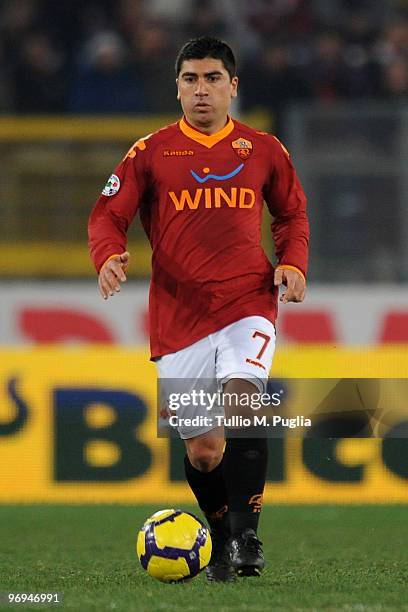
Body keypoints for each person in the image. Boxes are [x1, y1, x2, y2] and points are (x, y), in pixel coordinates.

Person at [88, 36, 309, 582]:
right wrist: (108, 254)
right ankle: (225, 540)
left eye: (212, 79)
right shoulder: (150, 152)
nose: (201, 90)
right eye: (190, 80)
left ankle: (248, 536)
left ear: (233, 87)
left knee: (243, 402)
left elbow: (292, 216)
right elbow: (105, 215)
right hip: (178, 314)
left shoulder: (263, 149)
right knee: (206, 451)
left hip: (248, 302)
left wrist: (294, 263)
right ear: (178, 88)